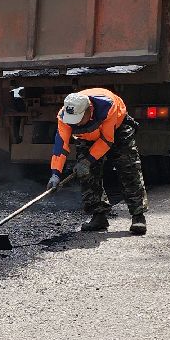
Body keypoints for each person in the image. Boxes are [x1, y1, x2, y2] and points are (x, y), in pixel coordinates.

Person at [49, 88, 148, 235]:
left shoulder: (107, 107)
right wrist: (55, 174)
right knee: (86, 175)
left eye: (78, 120)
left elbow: (107, 140)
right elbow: (60, 146)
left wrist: (88, 161)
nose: (75, 125)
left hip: (116, 129)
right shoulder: (65, 116)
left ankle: (138, 216)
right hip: (87, 137)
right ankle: (99, 215)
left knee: (128, 167)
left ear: (89, 110)